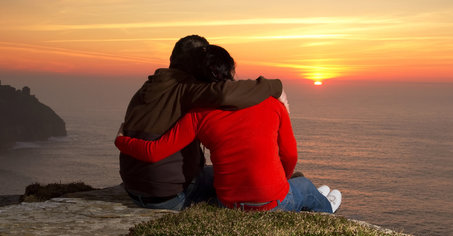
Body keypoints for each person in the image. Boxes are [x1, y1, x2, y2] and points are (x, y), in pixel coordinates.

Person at [116, 45, 342, 213]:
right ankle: (326, 209)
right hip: (271, 203)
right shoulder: (273, 104)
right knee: (302, 185)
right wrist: (280, 182)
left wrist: (121, 139)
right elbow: (290, 155)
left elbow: (155, 151)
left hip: (229, 205)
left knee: (216, 174)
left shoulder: (197, 114)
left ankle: (308, 197)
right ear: (231, 72)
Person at [119, 35, 286, 210]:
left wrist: (121, 141)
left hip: (135, 190)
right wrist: (275, 86)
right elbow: (225, 93)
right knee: (236, 180)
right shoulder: (189, 88)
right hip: (171, 196)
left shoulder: (144, 90)